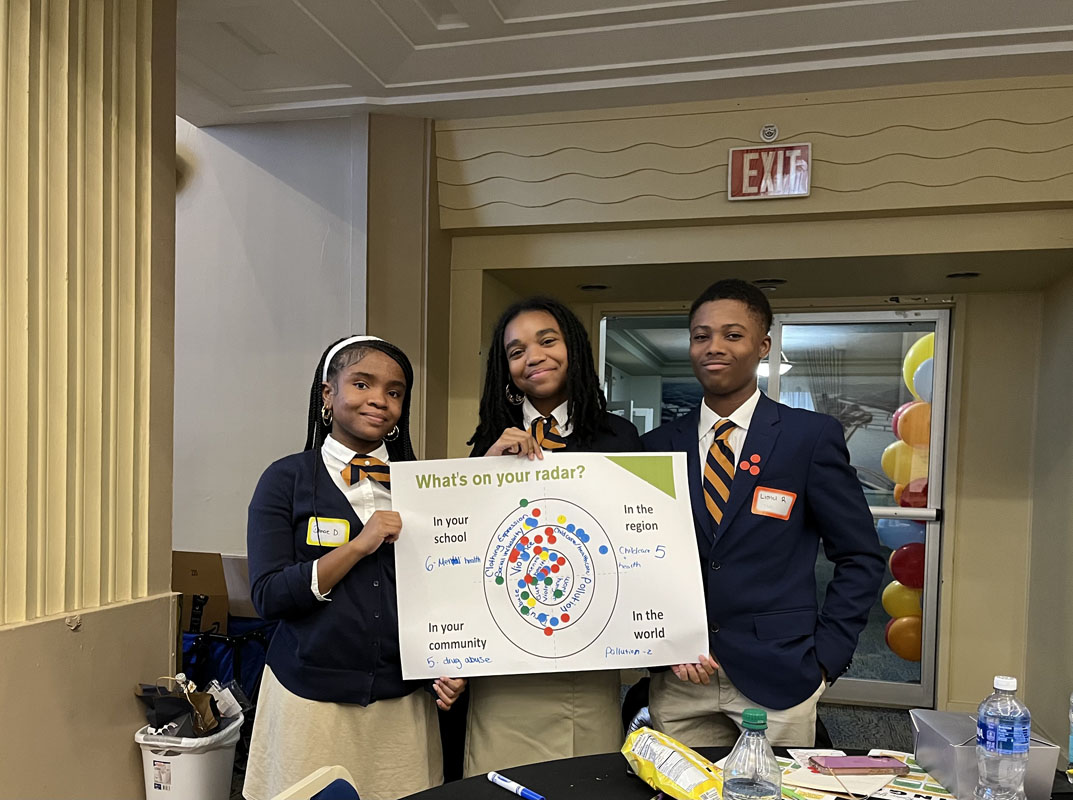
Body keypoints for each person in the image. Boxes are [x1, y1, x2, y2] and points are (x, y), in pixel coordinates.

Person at [642, 280, 884, 747]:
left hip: (780, 676)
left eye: (733, 335)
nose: (714, 347)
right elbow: (644, 557)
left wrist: (826, 659)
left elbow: (860, 556)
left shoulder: (808, 438)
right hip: (680, 680)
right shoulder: (657, 446)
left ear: (762, 345)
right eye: (701, 336)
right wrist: (660, 642)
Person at [244, 335, 466, 800]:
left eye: (394, 392)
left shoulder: (423, 484)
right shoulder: (285, 479)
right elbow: (267, 595)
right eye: (362, 383)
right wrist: (358, 546)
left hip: (401, 704)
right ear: (328, 393)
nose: (379, 401)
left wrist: (453, 661)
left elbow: (449, 591)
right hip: (308, 702)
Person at [462, 296, 643, 776]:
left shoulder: (618, 439)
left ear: (575, 350)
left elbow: (637, 546)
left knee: (585, 785)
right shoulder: (487, 442)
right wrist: (484, 474)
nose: (532, 357)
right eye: (516, 351)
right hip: (504, 665)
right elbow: (466, 551)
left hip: (586, 659)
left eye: (547, 341)